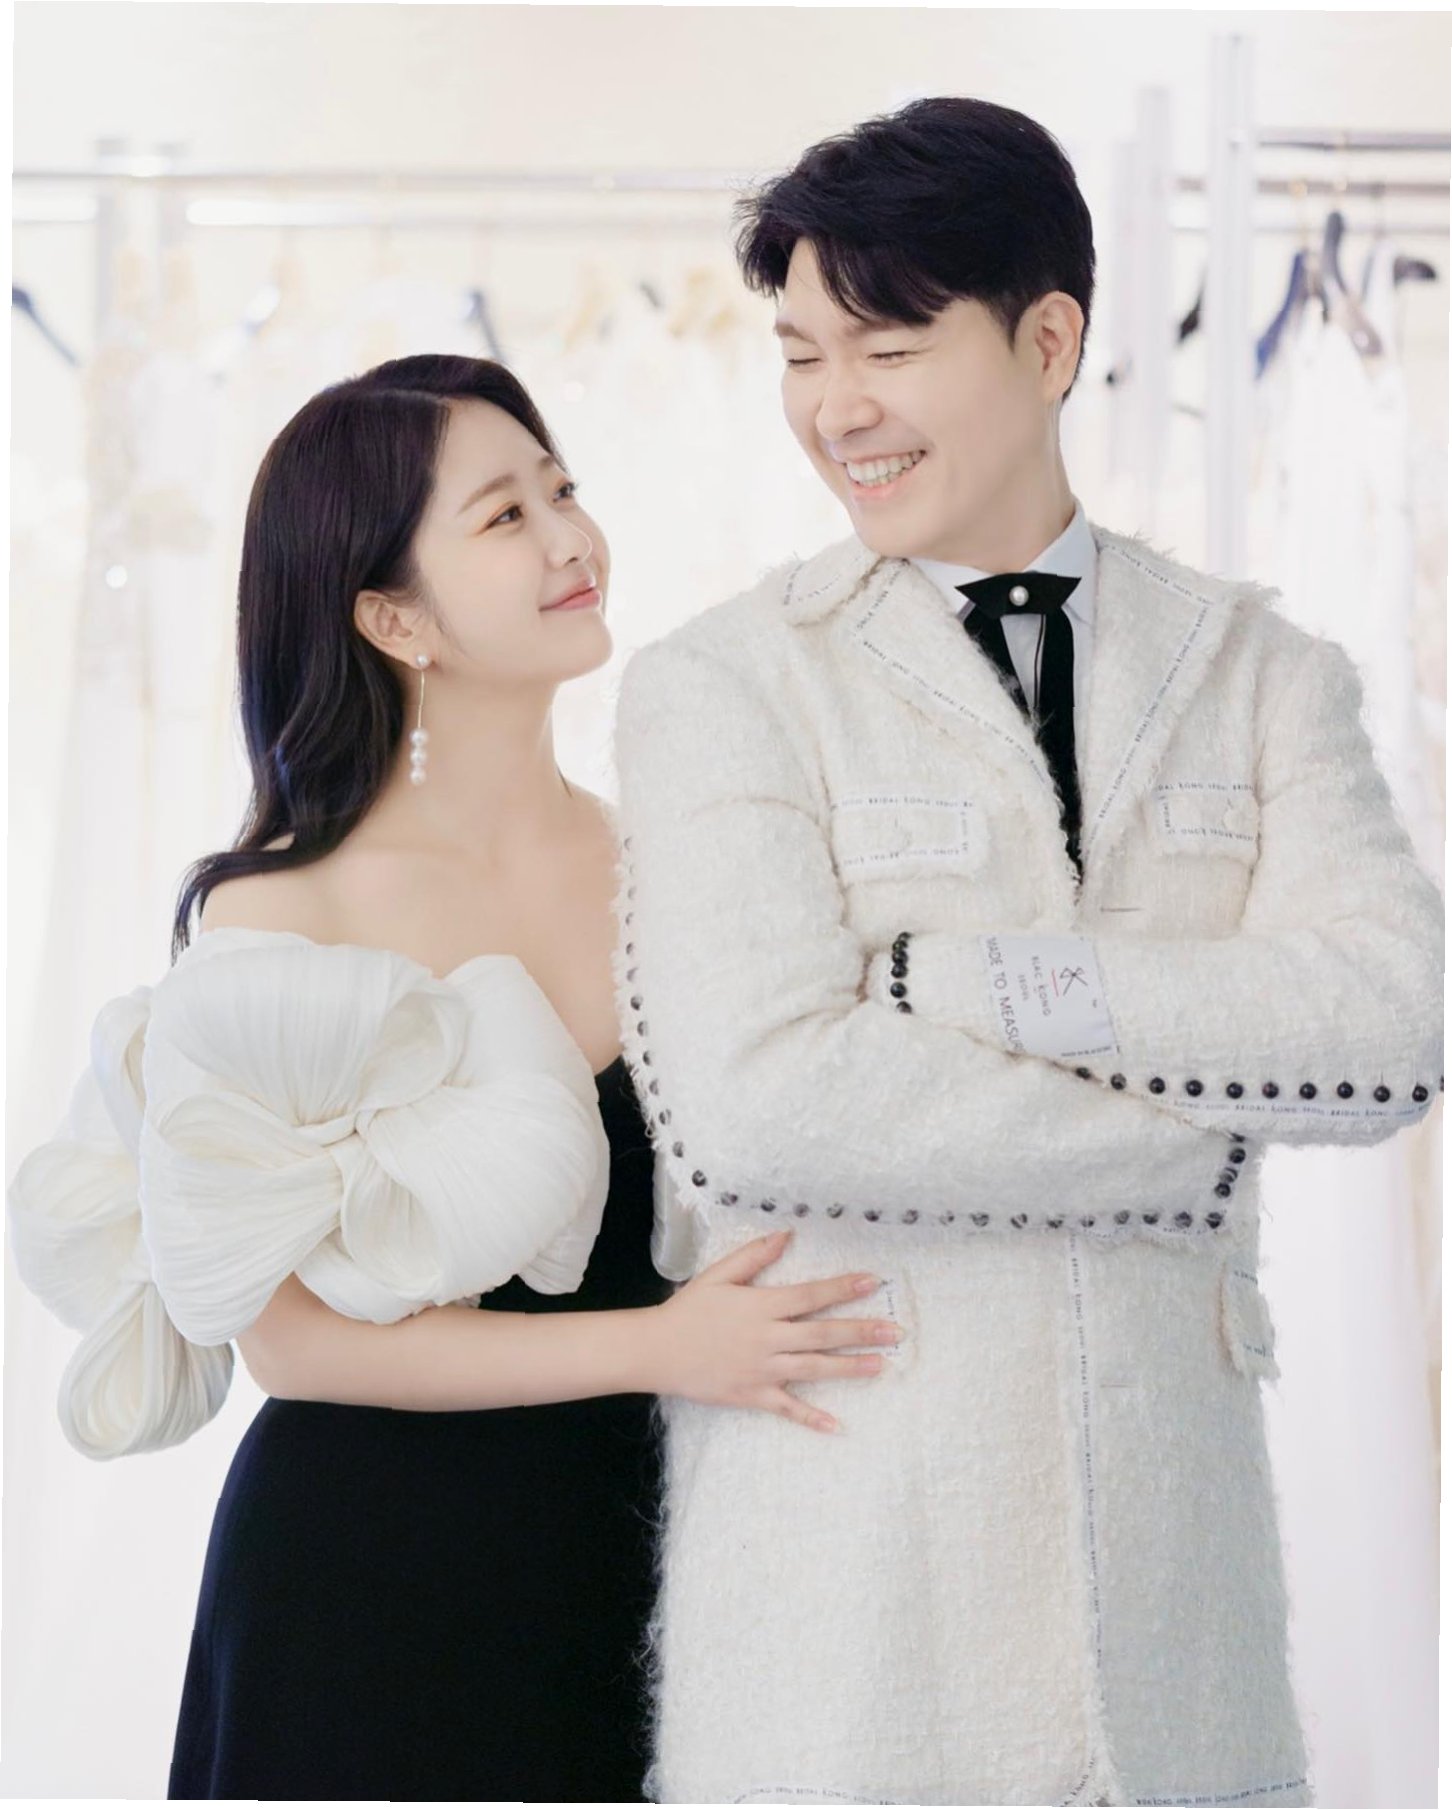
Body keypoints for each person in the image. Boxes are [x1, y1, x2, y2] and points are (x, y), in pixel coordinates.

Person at [611, 99, 1444, 1807]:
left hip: (1180, 1649)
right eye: (801, 356)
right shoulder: (727, 685)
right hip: (852, 1636)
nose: (837, 407)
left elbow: (1390, 1026)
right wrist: (1200, 1142)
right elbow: (765, 1103)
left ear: (1048, 342)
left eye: (889, 348)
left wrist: (963, 984)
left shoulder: (1264, 673)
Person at [6, 354, 900, 1802]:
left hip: (650, 1564)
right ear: (392, 616)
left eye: (563, 490)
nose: (570, 538)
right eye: (505, 515)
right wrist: (662, 1346)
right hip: (370, 1589)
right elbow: (296, 1350)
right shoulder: (280, 913)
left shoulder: (676, 861)